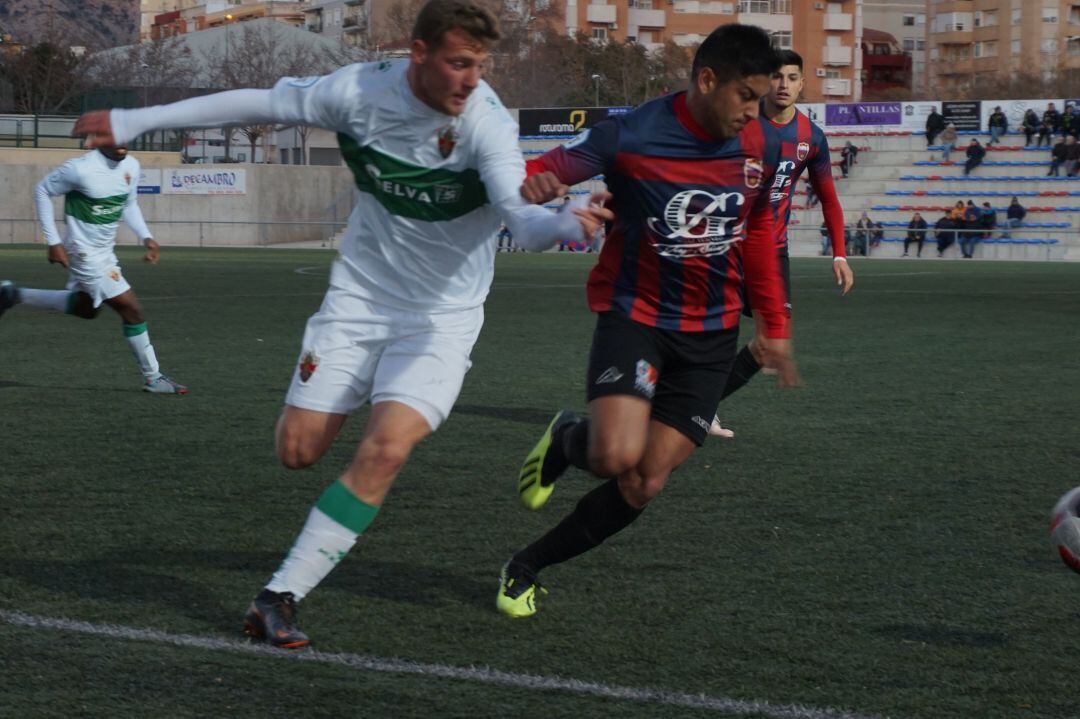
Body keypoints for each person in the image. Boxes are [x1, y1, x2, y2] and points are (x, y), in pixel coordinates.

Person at [74, 0, 610, 647]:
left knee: (385, 449)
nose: (472, 80)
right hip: (358, 301)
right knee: (297, 451)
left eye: (480, 66)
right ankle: (349, 397)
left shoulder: (486, 127)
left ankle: (278, 597)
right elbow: (253, 103)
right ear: (419, 54)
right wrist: (133, 118)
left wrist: (564, 222)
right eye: (459, 63)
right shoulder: (355, 93)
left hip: (440, 319)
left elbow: (522, 222)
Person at [497, 24, 799, 618]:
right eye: (744, 96)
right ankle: (567, 439)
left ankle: (525, 565)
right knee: (613, 456)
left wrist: (774, 321)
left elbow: (761, 229)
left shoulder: (760, 144)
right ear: (707, 79)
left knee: (644, 481)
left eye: (760, 99)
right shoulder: (633, 133)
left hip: (712, 335)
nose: (751, 112)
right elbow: (549, 166)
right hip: (637, 316)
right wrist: (538, 182)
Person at [707, 49, 851, 438]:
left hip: (770, 248)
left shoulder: (811, 138)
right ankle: (678, 404)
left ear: (803, 83)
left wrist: (839, 252)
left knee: (770, 341)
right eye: (776, 76)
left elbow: (829, 197)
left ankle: (701, 408)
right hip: (724, 244)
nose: (783, 84)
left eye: (791, 77)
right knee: (708, 333)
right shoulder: (742, 123)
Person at [0, 146, 187, 394]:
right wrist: (53, 241)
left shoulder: (131, 165)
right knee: (131, 309)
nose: (123, 141)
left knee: (87, 309)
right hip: (82, 252)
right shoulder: (80, 168)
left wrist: (146, 236)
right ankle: (153, 377)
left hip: (105, 252)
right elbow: (42, 190)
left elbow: (129, 204)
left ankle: (14, 295)